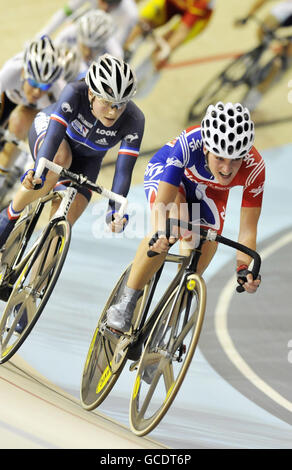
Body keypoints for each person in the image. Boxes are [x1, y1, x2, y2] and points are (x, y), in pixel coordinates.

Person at [0, 54, 145, 330]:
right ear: (91, 92)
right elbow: (54, 136)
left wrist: (116, 211)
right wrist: (38, 174)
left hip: (89, 162)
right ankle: (9, 216)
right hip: (53, 137)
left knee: (62, 225)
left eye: (119, 105)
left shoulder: (135, 119)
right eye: (106, 102)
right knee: (58, 162)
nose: (113, 112)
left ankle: (28, 294)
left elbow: (124, 170)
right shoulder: (74, 93)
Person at [106, 101, 264, 334]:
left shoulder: (254, 167)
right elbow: (164, 203)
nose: (228, 169)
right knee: (173, 229)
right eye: (220, 158)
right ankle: (126, 302)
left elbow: (248, 228)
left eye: (235, 160)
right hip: (171, 177)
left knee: (203, 250)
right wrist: (160, 232)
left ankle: (164, 334)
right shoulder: (190, 143)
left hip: (210, 193)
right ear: (207, 149)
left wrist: (243, 268)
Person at [0, 35, 65, 193]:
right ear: (24, 72)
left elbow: (49, 139)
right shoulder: (11, 70)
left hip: (40, 110)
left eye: (45, 86)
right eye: (34, 83)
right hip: (12, 97)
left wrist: (32, 167)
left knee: (21, 125)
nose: (38, 91)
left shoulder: (59, 91)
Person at [123, 0, 215, 70]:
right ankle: (123, 50)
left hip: (198, 17)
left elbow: (183, 30)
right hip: (172, 3)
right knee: (141, 23)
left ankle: (146, 73)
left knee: (164, 47)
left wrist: (165, 52)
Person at [235, 0, 292, 110]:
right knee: (279, 63)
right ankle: (255, 65)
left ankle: (253, 63)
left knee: (281, 62)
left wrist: (247, 16)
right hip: (282, 16)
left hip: (282, 17)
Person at [36, 0, 139, 57]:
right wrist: (41, 37)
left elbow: (116, 45)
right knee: (68, 27)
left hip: (106, 37)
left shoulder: (130, 14)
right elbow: (65, 13)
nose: (105, 8)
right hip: (85, 21)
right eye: (102, 2)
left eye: (111, 6)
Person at [56, 9, 118, 82]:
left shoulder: (114, 54)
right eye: (84, 45)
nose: (87, 52)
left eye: (94, 48)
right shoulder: (70, 32)